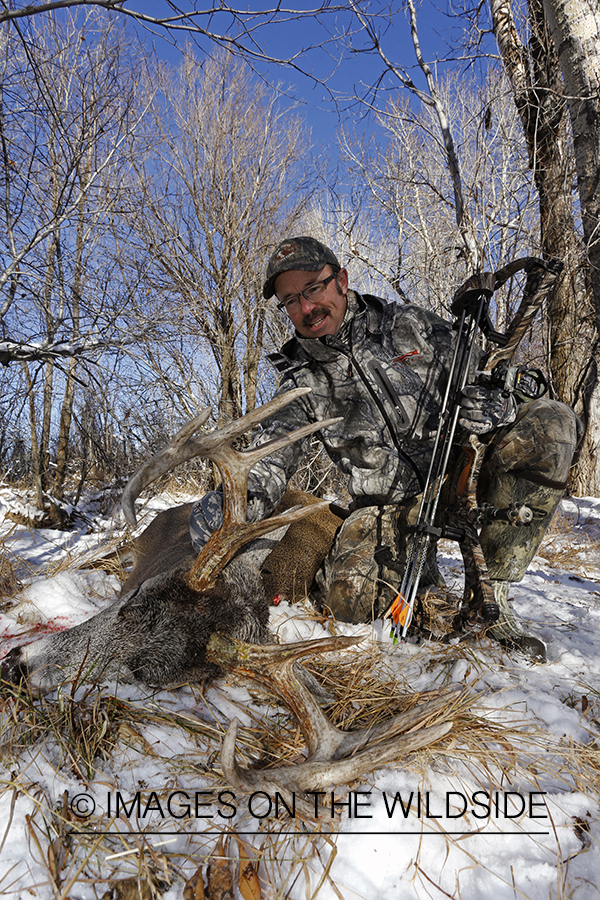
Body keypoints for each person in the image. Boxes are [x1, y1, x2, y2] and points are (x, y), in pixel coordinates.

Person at [190, 236, 581, 660]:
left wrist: (496, 406)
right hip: (388, 509)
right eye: (289, 301)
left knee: (553, 423)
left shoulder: (411, 325)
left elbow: (492, 375)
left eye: (312, 289)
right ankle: (418, 575)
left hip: (462, 476)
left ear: (340, 280)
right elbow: (269, 463)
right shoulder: (300, 383)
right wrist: (231, 503)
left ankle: (495, 598)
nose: (305, 308)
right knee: (350, 601)